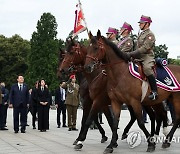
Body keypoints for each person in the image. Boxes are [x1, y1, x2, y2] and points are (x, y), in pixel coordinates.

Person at [127, 15, 158, 100]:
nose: (139, 25)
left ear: (147, 24)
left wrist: (132, 53)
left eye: (141, 23)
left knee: (147, 68)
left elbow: (145, 48)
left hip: (147, 57)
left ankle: (154, 92)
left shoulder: (150, 34)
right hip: (138, 57)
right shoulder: (141, 34)